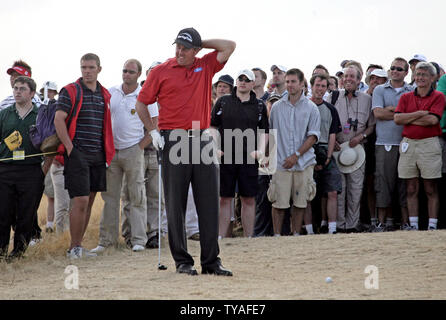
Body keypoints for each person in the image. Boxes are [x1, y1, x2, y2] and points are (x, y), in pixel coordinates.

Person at [135, 27, 236, 276]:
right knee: (175, 202)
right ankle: (183, 261)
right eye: (177, 46)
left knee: (209, 201)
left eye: (186, 48)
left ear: (196, 50)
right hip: (173, 139)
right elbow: (141, 103)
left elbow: (229, 45)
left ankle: (211, 262)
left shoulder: (206, 65)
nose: (179, 52)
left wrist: (202, 42)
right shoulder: (161, 71)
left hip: (201, 139)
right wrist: (153, 131)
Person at [54, 53, 115, 259]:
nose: (87, 71)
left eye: (90, 67)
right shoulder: (70, 91)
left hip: (98, 154)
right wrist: (70, 149)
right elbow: (58, 120)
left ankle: (78, 246)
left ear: (99, 69)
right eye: (83, 67)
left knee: (89, 201)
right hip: (77, 153)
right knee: (79, 200)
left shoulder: (104, 94)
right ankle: (73, 248)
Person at [91, 59, 150, 254]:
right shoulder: (111, 93)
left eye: (131, 72)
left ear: (138, 74)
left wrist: (139, 147)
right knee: (110, 198)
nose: (126, 74)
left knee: (136, 196)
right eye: (124, 70)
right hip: (111, 152)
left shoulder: (145, 95)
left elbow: (155, 125)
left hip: (133, 150)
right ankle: (106, 241)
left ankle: (139, 239)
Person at [211, 69, 268, 238]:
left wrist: (261, 151)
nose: (242, 82)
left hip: (248, 157)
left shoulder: (259, 105)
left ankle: (248, 237)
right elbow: (212, 126)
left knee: (248, 198)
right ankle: (220, 237)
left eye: (246, 79)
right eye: (240, 79)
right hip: (225, 155)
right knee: (224, 198)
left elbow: (265, 131)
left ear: (252, 83)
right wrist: (215, 146)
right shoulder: (223, 102)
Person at [0, 77, 52, 261]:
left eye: (22, 89)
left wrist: (44, 170)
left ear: (32, 93)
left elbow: (51, 145)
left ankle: (18, 253)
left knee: (26, 214)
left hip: (31, 171)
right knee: (3, 213)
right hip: (5, 170)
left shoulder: (41, 115)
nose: (17, 91)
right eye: (15, 88)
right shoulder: (4, 114)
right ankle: (1, 251)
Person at [267, 68, 320, 237]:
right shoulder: (276, 107)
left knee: (300, 202)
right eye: (287, 81)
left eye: (293, 81)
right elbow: (271, 134)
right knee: (278, 202)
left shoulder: (312, 108)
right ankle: (277, 236)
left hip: (303, 163)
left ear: (302, 83)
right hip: (281, 162)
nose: (289, 85)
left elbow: (313, 136)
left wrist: (296, 155)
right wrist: (267, 158)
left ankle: (296, 234)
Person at [394, 62, 445, 231]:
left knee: (430, 187)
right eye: (418, 74)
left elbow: (433, 120)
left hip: (429, 143)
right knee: (410, 187)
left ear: (432, 78)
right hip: (409, 143)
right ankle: (414, 225)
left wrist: (408, 117)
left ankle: (432, 225)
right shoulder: (405, 97)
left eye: (424, 74)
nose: (421, 77)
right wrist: (418, 114)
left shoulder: (438, 96)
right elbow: (397, 119)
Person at [370, 62, 413, 232]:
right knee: (383, 184)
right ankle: (380, 223)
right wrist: (402, 113)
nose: (395, 71)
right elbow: (378, 113)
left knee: (405, 185)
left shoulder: (411, 91)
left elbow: (414, 114)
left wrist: (392, 111)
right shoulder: (380, 89)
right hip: (384, 143)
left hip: (407, 143)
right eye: (392, 68)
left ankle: (406, 222)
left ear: (406, 72)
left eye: (399, 69)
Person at [332, 65, 375, 232]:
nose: (348, 79)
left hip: (358, 151)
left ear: (359, 80)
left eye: (352, 76)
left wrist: (361, 137)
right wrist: (332, 140)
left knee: (356, 189)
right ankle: (340, 225)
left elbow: (371, 126)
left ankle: (352, 225)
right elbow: (327, 123)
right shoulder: (333, 97)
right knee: (339, 189)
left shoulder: (367, 100)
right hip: (337, 150)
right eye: (345, 76)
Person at [309, 74, 342, 234]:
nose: (320, 89)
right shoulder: (305, 106)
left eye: (323, 86)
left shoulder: (331, 109)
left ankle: (332, 229)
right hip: (307, 151)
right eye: (318, 85)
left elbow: (332, 135)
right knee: (306, 193)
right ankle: (307, 230)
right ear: (311, 86)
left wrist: (328, 158)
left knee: (332, 191)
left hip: (325, 150)